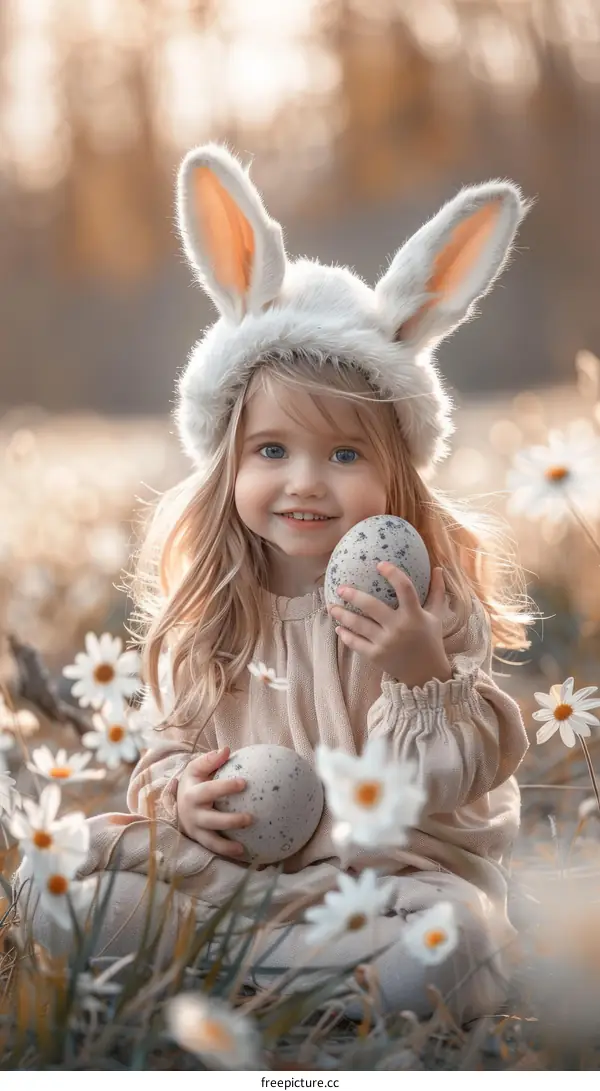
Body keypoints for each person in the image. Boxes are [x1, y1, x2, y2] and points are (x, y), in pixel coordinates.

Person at [18, 143, 537, 1026]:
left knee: (462, 939)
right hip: (238, 884)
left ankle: (238, 975)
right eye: (271, 450)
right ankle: (291, 973)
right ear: (229, 459)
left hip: (388, 888)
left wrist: (420, 671)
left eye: (344, 454)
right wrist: (184, 797)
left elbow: (461, 780)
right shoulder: (214, 609)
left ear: (396, 469)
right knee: (52, 884)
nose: (305, 482)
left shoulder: (424, 605)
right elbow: (169, 753)